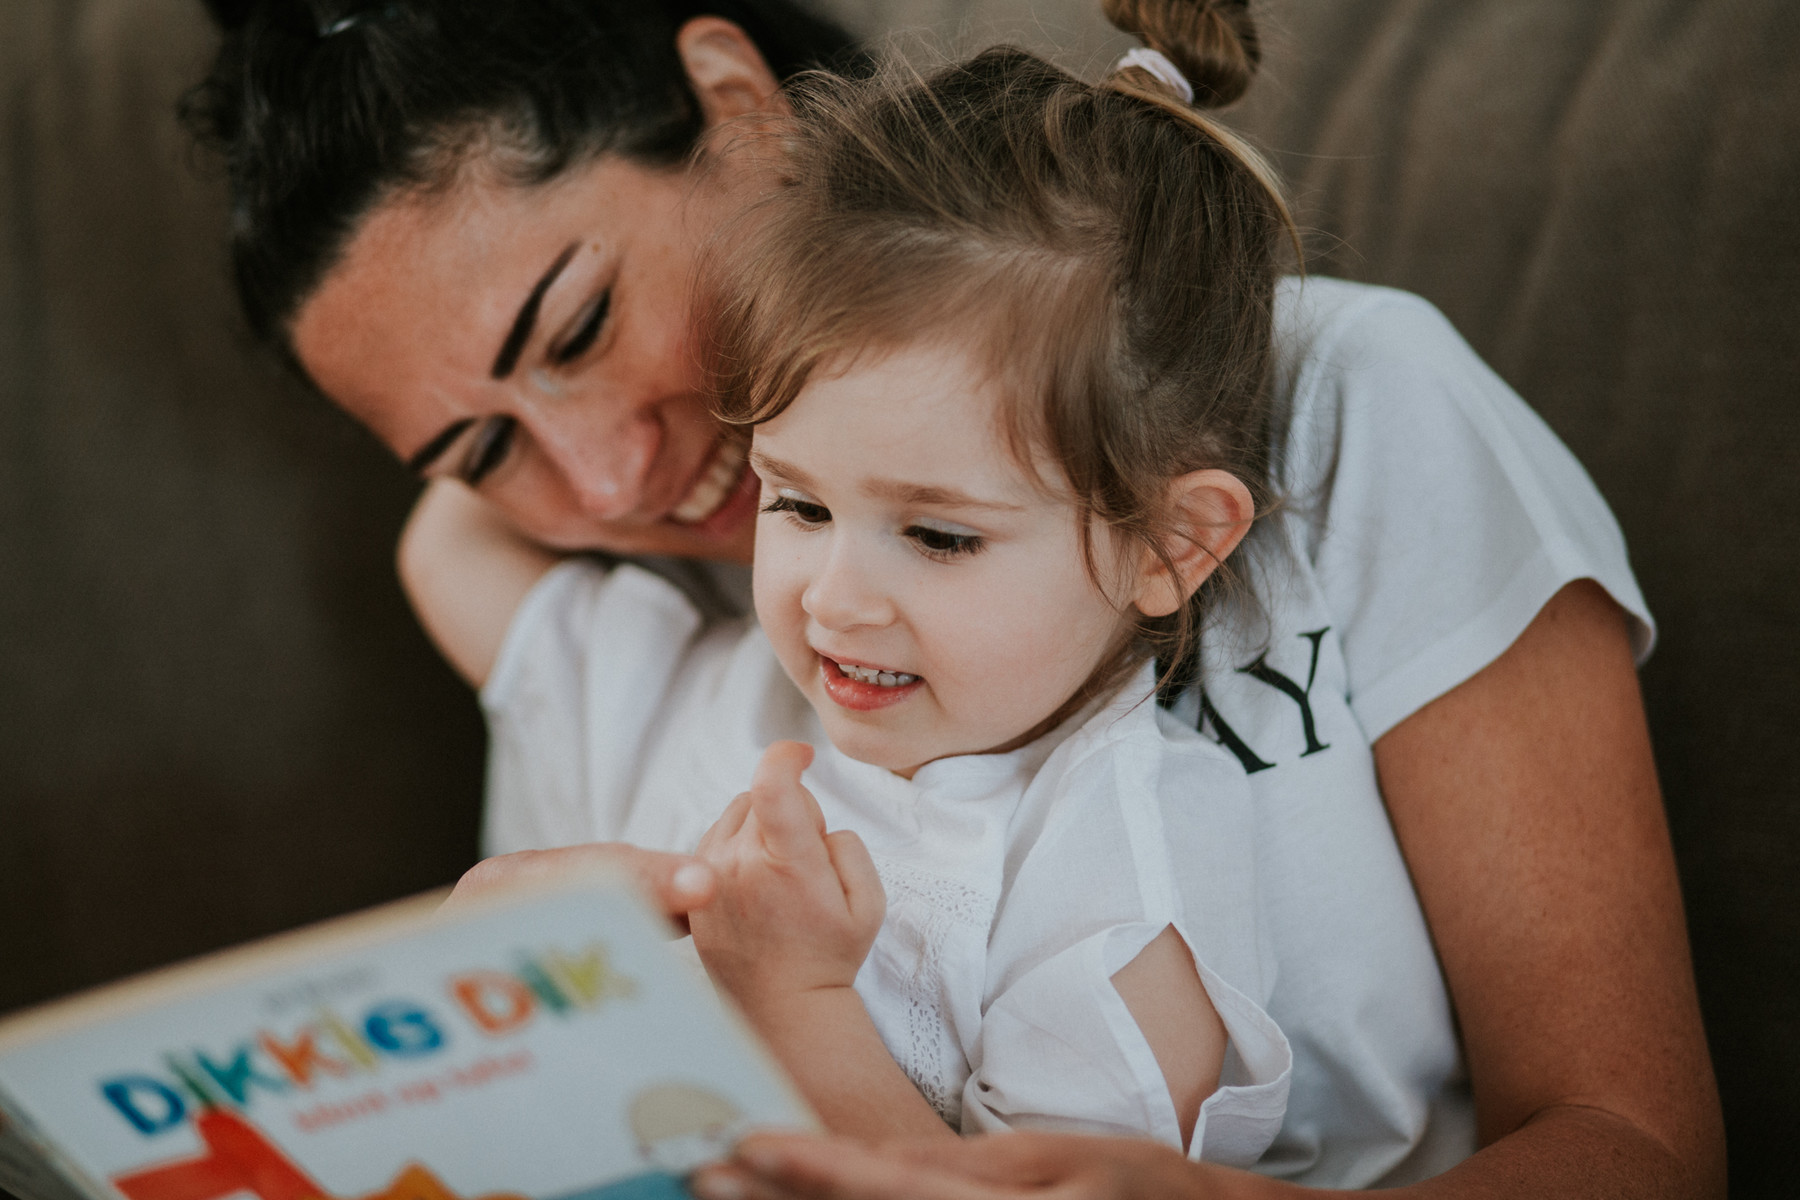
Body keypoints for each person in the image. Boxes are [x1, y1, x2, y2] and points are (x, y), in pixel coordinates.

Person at [184, 0, 1724, 1195]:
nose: (606, 488)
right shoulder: (646, 666)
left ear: (732, 103)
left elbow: (1636, 1151)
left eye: (579, 326)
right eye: (477, 446)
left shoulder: (1340, 401)